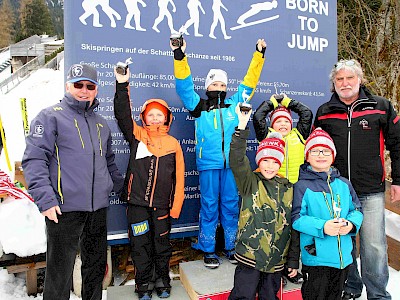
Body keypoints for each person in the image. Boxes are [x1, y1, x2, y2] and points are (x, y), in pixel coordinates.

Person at [22, 63, 124, 300]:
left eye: (90, 86)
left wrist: (122, 188)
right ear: (68, 86)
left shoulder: (101, 124)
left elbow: (108, 162)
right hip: (63, 208)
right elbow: (34, 160)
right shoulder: (50, 117)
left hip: (97, 208)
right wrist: (46, 200)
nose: (84, 90)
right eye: (78, 85)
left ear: (96, 90)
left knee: (95, 268)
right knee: (60, 274)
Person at [170, 36, 267, 269]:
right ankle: (208, 249)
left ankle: (231, 247)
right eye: (215, 85)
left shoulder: (235, 103)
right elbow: (184, 86)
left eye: (223, 85)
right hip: (209, 165)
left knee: (231, 204)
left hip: (232, 165)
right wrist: (179, 57)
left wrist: (259, 55)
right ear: (207, 87)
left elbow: (250, 82)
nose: (219, 88)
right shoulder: (199, 106)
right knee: (210, 205)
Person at [314, 59, 400, 300]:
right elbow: (315, 149)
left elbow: (397, 144)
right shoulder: (324, 112)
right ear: (333, 84)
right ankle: (351, 287)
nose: (345, 83)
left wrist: (398, 181)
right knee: (344, 243)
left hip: (371, 190)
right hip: (338, 190)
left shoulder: (381, 107)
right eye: (339, 79)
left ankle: (378, 294)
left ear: (359, 79)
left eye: (349, 78)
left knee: (374, 246)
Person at [113, 67, 185, 300]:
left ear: (167, 118)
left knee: (162, 246)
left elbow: (180, 177)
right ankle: (143, 283)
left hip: (162, 207)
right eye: (151, 114)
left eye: (159, 114)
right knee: (140, 245)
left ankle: (163, 282)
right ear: (144, 117)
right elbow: (122, 114)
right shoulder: (137, 135)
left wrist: (176, 206)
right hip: (137, 206)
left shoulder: (173, 143)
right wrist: (122, 84)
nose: (155, 118)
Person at [228, 104, 299, 300]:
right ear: (259, 161)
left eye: (275, 161)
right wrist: (241, 128)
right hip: (250, 257)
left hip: (276, 260)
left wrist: (292, 258)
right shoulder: (250, 182)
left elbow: (293, 225)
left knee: (270, 296)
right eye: (265, 160)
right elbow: (236, 159)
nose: (270, 166)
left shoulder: (289, 187)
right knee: (244, 295)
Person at [291, 128, 363, 300]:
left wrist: (351, 224)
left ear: (333, 155)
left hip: (343, 259)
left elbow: (357, 210)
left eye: (325, 150)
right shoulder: (301, 186)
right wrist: (322, 226)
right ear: (307, 156)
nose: (320, 155)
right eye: (315, 151)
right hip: (317, 259)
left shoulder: (344, 184)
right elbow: (296, 218)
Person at [253, 94, 313, 184]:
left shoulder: (299, 135)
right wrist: (272, 103)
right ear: (272, 124)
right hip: (274, 186)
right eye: (278, 121)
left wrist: (287, 102)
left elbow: (306, 113)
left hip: (296, 185)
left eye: (286, 121)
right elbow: (258, 116)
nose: (283, 124)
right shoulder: (267, 136)